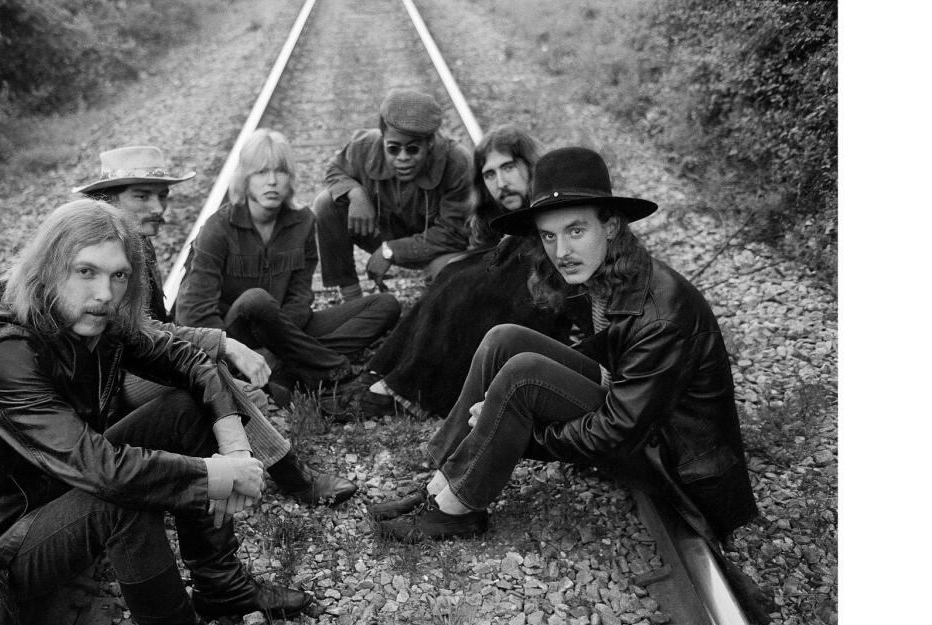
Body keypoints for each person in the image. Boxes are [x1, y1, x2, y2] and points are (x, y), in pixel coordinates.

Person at [0, 199, 315, 625]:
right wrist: (209, 475)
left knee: (182, 408)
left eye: (118, 276)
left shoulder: (96, 317)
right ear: (47, 269)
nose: (105, 292)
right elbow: (101, 470)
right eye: (86, 271)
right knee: (121, 499)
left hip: (56, 485)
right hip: (0, 537)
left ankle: (219, 584)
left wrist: (232, 441)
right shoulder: (1, 350)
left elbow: (187, 359)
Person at [370, 147, 759, 556]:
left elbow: (616, 434)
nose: (561, 252)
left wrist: (510, 424)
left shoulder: (662, 316)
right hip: (639, 418)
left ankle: (458, 507)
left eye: (575, 231)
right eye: (549, 236)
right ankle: (443, 481)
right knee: (504, 339)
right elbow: (614, 372)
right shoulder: (608, 273)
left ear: (610, 227)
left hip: (675, 461)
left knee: (522, 376)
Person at [75, 145, 356, 507]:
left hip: (126, 371)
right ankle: (293, 477)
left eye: (162, 196)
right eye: (142, 196)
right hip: (107, 390)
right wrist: (225, 345)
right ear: (106, 200)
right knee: (204, 367)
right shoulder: (97, 256)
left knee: (203, 366)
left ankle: (244, 460)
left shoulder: (136, 243)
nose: (159, 209)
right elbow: (139, 335)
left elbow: (153, 332)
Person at [347, 125, 572, 420]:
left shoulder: (555, 206)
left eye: (508, 167)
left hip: (547, 306)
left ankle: (406, 388)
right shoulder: (501, 214)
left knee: (464, 284)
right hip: (521, 288)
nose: (501, 182)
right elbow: (485, 252)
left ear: (530, 166)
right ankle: (383, 372)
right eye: (490, 175)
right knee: (453, 274)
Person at [175, 129, 401, 400]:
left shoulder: (303, 221)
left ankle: (285, 368)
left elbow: (299, 298)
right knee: (255, 300)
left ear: (290, 178)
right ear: (245, 179)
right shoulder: (218, 228)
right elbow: (193, 315)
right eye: (261, 172)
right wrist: (239, 351)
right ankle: (335, 371)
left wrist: (278, 344)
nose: (271, 181)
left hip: (284, 331)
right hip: (233, 337)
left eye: (280, 171)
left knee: (385, 305)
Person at [312, 89, 473, 301]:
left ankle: (433, 313)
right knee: (326, 204)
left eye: (413, 149)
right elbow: (334, 170)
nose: (403, 158)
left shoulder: (457, 162)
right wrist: (356, 193)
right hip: (381, 231)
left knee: (448, 271)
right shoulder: (364, 146)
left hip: (435, 246)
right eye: (393, 149)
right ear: (383, 140)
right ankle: (352, 300)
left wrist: (391, 250)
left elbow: (453, 233)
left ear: (430, 143)